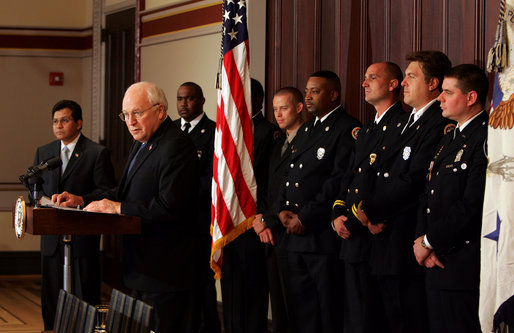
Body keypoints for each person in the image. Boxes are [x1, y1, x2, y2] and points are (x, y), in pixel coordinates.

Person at [54, 82, 201, 333]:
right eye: (126, 115)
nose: (130, 121)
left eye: (137, 113)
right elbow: (122, 193)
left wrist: (119, 208)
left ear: (161, 111)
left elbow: (168, 206)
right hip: (139, 267)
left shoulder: (175, 145)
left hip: (165, 271)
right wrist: (83, 200)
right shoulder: (142, 142)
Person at [358, 51, 454, 333]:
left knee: (408, 320)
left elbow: (413, 180)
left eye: (412, 77)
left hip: (406, 238)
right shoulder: (405, 122)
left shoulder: (438, 122)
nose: (403, 83)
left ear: (433, 83)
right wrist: (365, 211)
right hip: (384, 240)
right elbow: (377, 173)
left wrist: (371, 210)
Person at [278, 70, 361, 333]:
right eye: (307, 91)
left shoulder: (346, 128)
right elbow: (288, 172)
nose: (308, 96)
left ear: (333, 94)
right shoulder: (307, 129)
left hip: (320, 237)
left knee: (327, 312)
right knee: (301, 313)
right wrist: (282, 210)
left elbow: (337, 181)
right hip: (293, 237)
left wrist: (304, 217)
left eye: (315, 91)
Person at [413, 64, 488, 333]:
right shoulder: (450, 137)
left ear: (470, 98)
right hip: (434, 260)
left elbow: (472, 205)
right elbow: (428, 193)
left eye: (447, 92)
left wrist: (430, 241)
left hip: (460, 264)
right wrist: (420, 239)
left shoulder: (485, 138)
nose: (440, 98)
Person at [332, 62, 406, 333]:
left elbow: (390, 183)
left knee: (373, 319)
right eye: (364, 78)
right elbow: (349, 178)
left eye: (372, 78)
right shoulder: (366, 130)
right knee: (354, 317)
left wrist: (355, 219)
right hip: (352, 237)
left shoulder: (402, 125)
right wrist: (336, 215)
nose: (364, 84)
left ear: (392, 84)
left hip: (375, 234)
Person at [33, 99, 115, 330]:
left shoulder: (96, 153)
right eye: (55, 121)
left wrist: (81, 200)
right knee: (51, 296)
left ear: (78, 123)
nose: (58, 126)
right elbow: (36, 189)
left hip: (82, 238)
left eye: (64, 120)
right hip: (51, 239)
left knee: (83, 294)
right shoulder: (44, 152)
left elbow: (107, 191)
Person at [220, 78, 279, 333]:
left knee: (252, 291)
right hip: (228, 220)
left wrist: (260, 216)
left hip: (254, 222)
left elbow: (268, 181)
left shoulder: (269, 132)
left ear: (256, 100)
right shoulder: (228, 131)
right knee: (231, 291)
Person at [252, 87, 304, 333]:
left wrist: (269, 221)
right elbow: (268, 187)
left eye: (284, 108)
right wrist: (260, 219)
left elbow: (298, 191)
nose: (278, 114)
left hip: (291, 233)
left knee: (297, 309)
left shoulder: (308, 139)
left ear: (299, 107)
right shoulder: (278, 142)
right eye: (275, 109)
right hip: (271, 234)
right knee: (279, 309)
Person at [174, 82, 221, 333]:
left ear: (202, 101)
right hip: (173, 222)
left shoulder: (214, 131)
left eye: (190, 99)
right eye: (180, 99)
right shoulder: (169, 130)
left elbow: (213, 178)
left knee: (202, 283)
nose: (184, 104)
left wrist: (180, 194)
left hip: (200, 220)